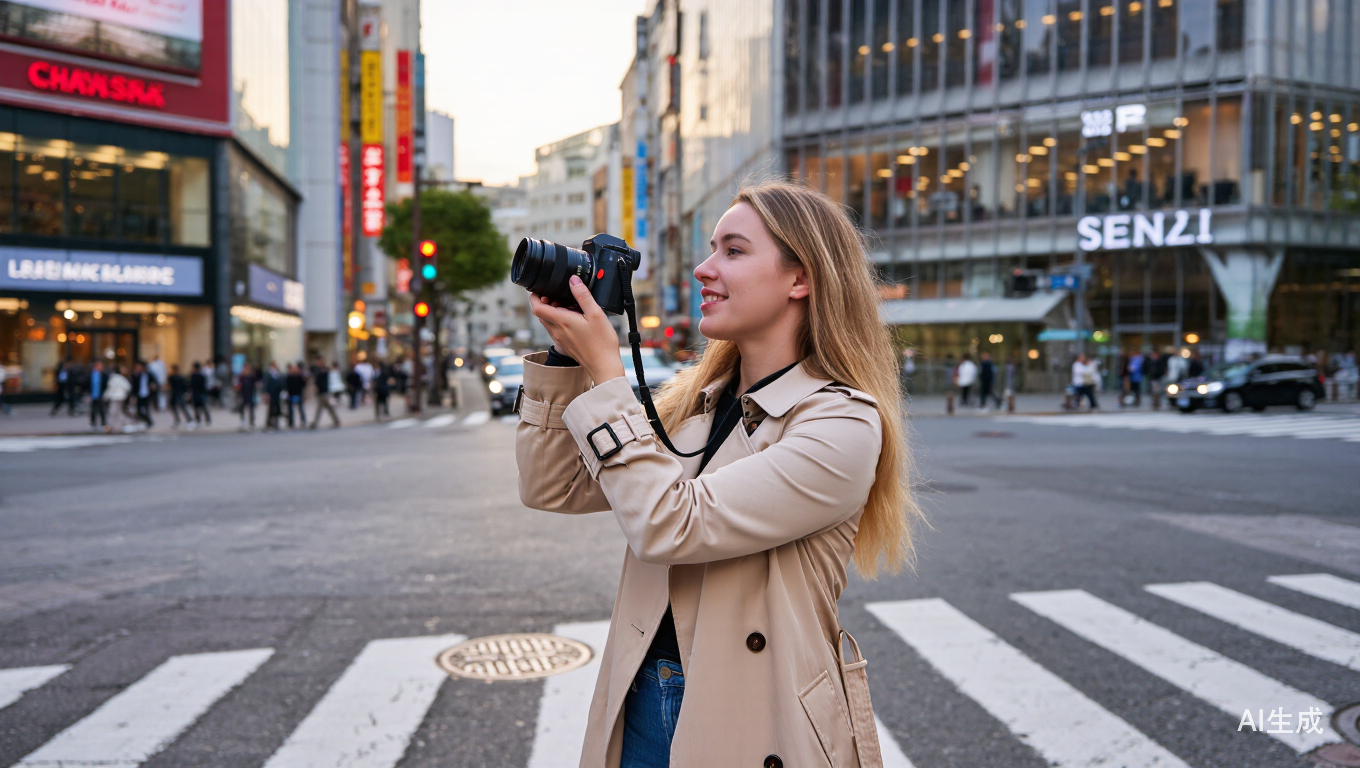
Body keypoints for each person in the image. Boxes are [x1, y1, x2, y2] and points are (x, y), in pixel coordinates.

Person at [516, 182, 921, 766]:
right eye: (711, 249)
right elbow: (553, 486)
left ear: (800, 279)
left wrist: (606, 369)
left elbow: (670, 525)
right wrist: (565, 355)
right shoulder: (697, 405)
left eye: (733, 250)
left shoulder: (842, 423)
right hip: (641, 694)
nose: (704, 269)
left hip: (754, 716)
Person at [310, 357, 342, 429]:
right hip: (319, 392)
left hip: (325, 392)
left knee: (323, 408)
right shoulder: (316, 370)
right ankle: (336, 420)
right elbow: (314, 380)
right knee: (327, 408)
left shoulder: (325, 370)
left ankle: (315, 423)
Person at [104, 365, 131, 433]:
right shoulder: (121, 378)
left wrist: (106, 396)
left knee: (113, 411)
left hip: (115, 397)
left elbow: (110, 389)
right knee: (118, 411)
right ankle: (119, 425)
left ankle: (113, 426)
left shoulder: (113, 379)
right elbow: (128, 387)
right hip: (120, 397)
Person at [131, 361, 157, 428]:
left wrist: (153, 385)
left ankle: (149, 422)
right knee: (139, 411)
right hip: (139, 395)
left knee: (146, 410)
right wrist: (133, 395)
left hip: (147, 395)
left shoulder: (148, 374)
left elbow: (155, 382)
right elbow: (134, 386)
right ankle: (146, 421)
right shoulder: (136, 375)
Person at [236, 364, 259, 430]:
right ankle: (242, 421)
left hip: (251, 394)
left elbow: (255, 384)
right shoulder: (241, 377)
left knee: (251, 409)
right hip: (243, 395)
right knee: (242, 408)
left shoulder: (252, 376)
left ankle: (251, 422)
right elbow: (238, 386)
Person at [285, 362, 307, 428]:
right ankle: (291, 422)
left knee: (300, 408)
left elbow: (303, 385)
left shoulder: (299, 376)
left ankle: (303, 421)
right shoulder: (289, 377)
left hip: (298, 394)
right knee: (290, 410)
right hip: (291, 394)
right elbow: (287, 386)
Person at [263, 362, 284, 430]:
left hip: (277, 394)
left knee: (277, 409)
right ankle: (269, 422)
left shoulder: (278, 374)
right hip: (271, 394)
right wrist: (266, 393)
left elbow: (281, 384)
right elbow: (266, 385)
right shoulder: (268, 375)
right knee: (271, 409)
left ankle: (276, 422)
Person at [86, 361, 106, 429]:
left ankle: (103, 423)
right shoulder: (91, 374)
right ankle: (92, 423)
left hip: (100, 395)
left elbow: (105, 385)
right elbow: (88, 385)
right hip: (93, 395)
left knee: (101, 410)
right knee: (93, 410)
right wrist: (89, 395)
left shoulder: (103, 375)